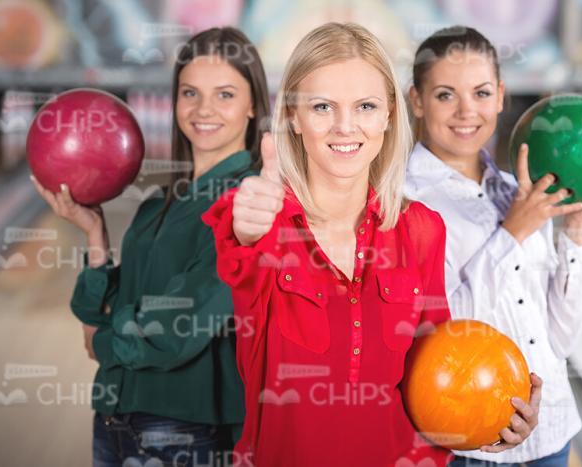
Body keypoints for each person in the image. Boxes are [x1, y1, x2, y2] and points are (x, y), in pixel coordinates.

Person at [202, 22, 540, 467]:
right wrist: (248, 225)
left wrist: (494, 411)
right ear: (292, 117)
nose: (345, 126)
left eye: (365, 105)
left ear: (388, 116)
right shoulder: (264, 224)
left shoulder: (420, 230)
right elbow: (239, 247)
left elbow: (437, 369)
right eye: (322, 106)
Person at [31, 26, 270, 467]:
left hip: (184, 431)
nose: (203, 109)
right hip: (113, 418)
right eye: (190, 93)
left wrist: (106, 339)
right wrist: (95, 236)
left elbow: (180, 326)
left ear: (253, 103)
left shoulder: (250, 202)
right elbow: (97, 318)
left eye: (225, 95)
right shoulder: (157, 205)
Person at [405, 26, 582, 467]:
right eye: (445, 95)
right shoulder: (405, 203)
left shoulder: (517, 192)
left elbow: (560, 339)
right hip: (470, 445)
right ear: (416, 99)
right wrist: (512, 234)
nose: (467, 111)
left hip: (552, 434)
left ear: (502, 95)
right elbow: (443, 340)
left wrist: (577, 234)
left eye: (482, 92)